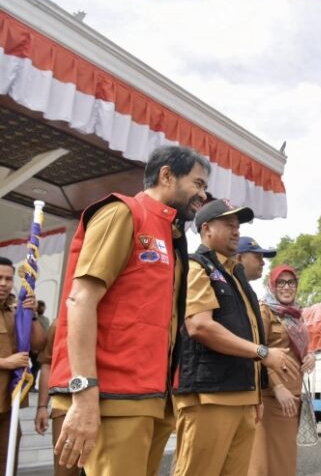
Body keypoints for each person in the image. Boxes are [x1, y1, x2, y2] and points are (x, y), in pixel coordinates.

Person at [48, 145, 210, 475]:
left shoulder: (170, 235)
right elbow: (80, 301)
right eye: (198, 183)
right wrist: (84, 393)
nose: (203, 195)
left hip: (150, 398)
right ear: (167, 175)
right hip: (112, 397)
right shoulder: (124, 214)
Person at [173, 200, 295, 476]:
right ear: (206, 229)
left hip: (243, 398)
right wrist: (263, 352)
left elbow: (248, 330)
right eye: (228, 224)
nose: (236, 230)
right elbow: (200, 327)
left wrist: (256, 395)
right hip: (209, 397)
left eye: (238, 225)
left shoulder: (235, 275)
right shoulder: (198, 266)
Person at [247, 265, 314, 476]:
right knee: (262, 465)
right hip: (271, 398)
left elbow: (298, 350)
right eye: (281, 282)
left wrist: (310, 357)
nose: (287, 287)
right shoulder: (265, 311)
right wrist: (277, 387)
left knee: (284, 463)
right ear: (273, 286)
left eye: (291, 282)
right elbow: (256, 353)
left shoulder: (296, 314)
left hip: (293, 398)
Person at [1, 255, 46, 474]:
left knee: (6, 461)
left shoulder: (15, 312)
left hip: (7, 403)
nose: (3, 283)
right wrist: (5, 362)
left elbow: (38, 345)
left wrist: (31, 315)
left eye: (8, 279)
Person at [35, 319, 78, 476]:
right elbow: (47, 364)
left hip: (109, 404)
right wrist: (42, 406)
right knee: (65, 469)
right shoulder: (59, 324)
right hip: (67, 405)